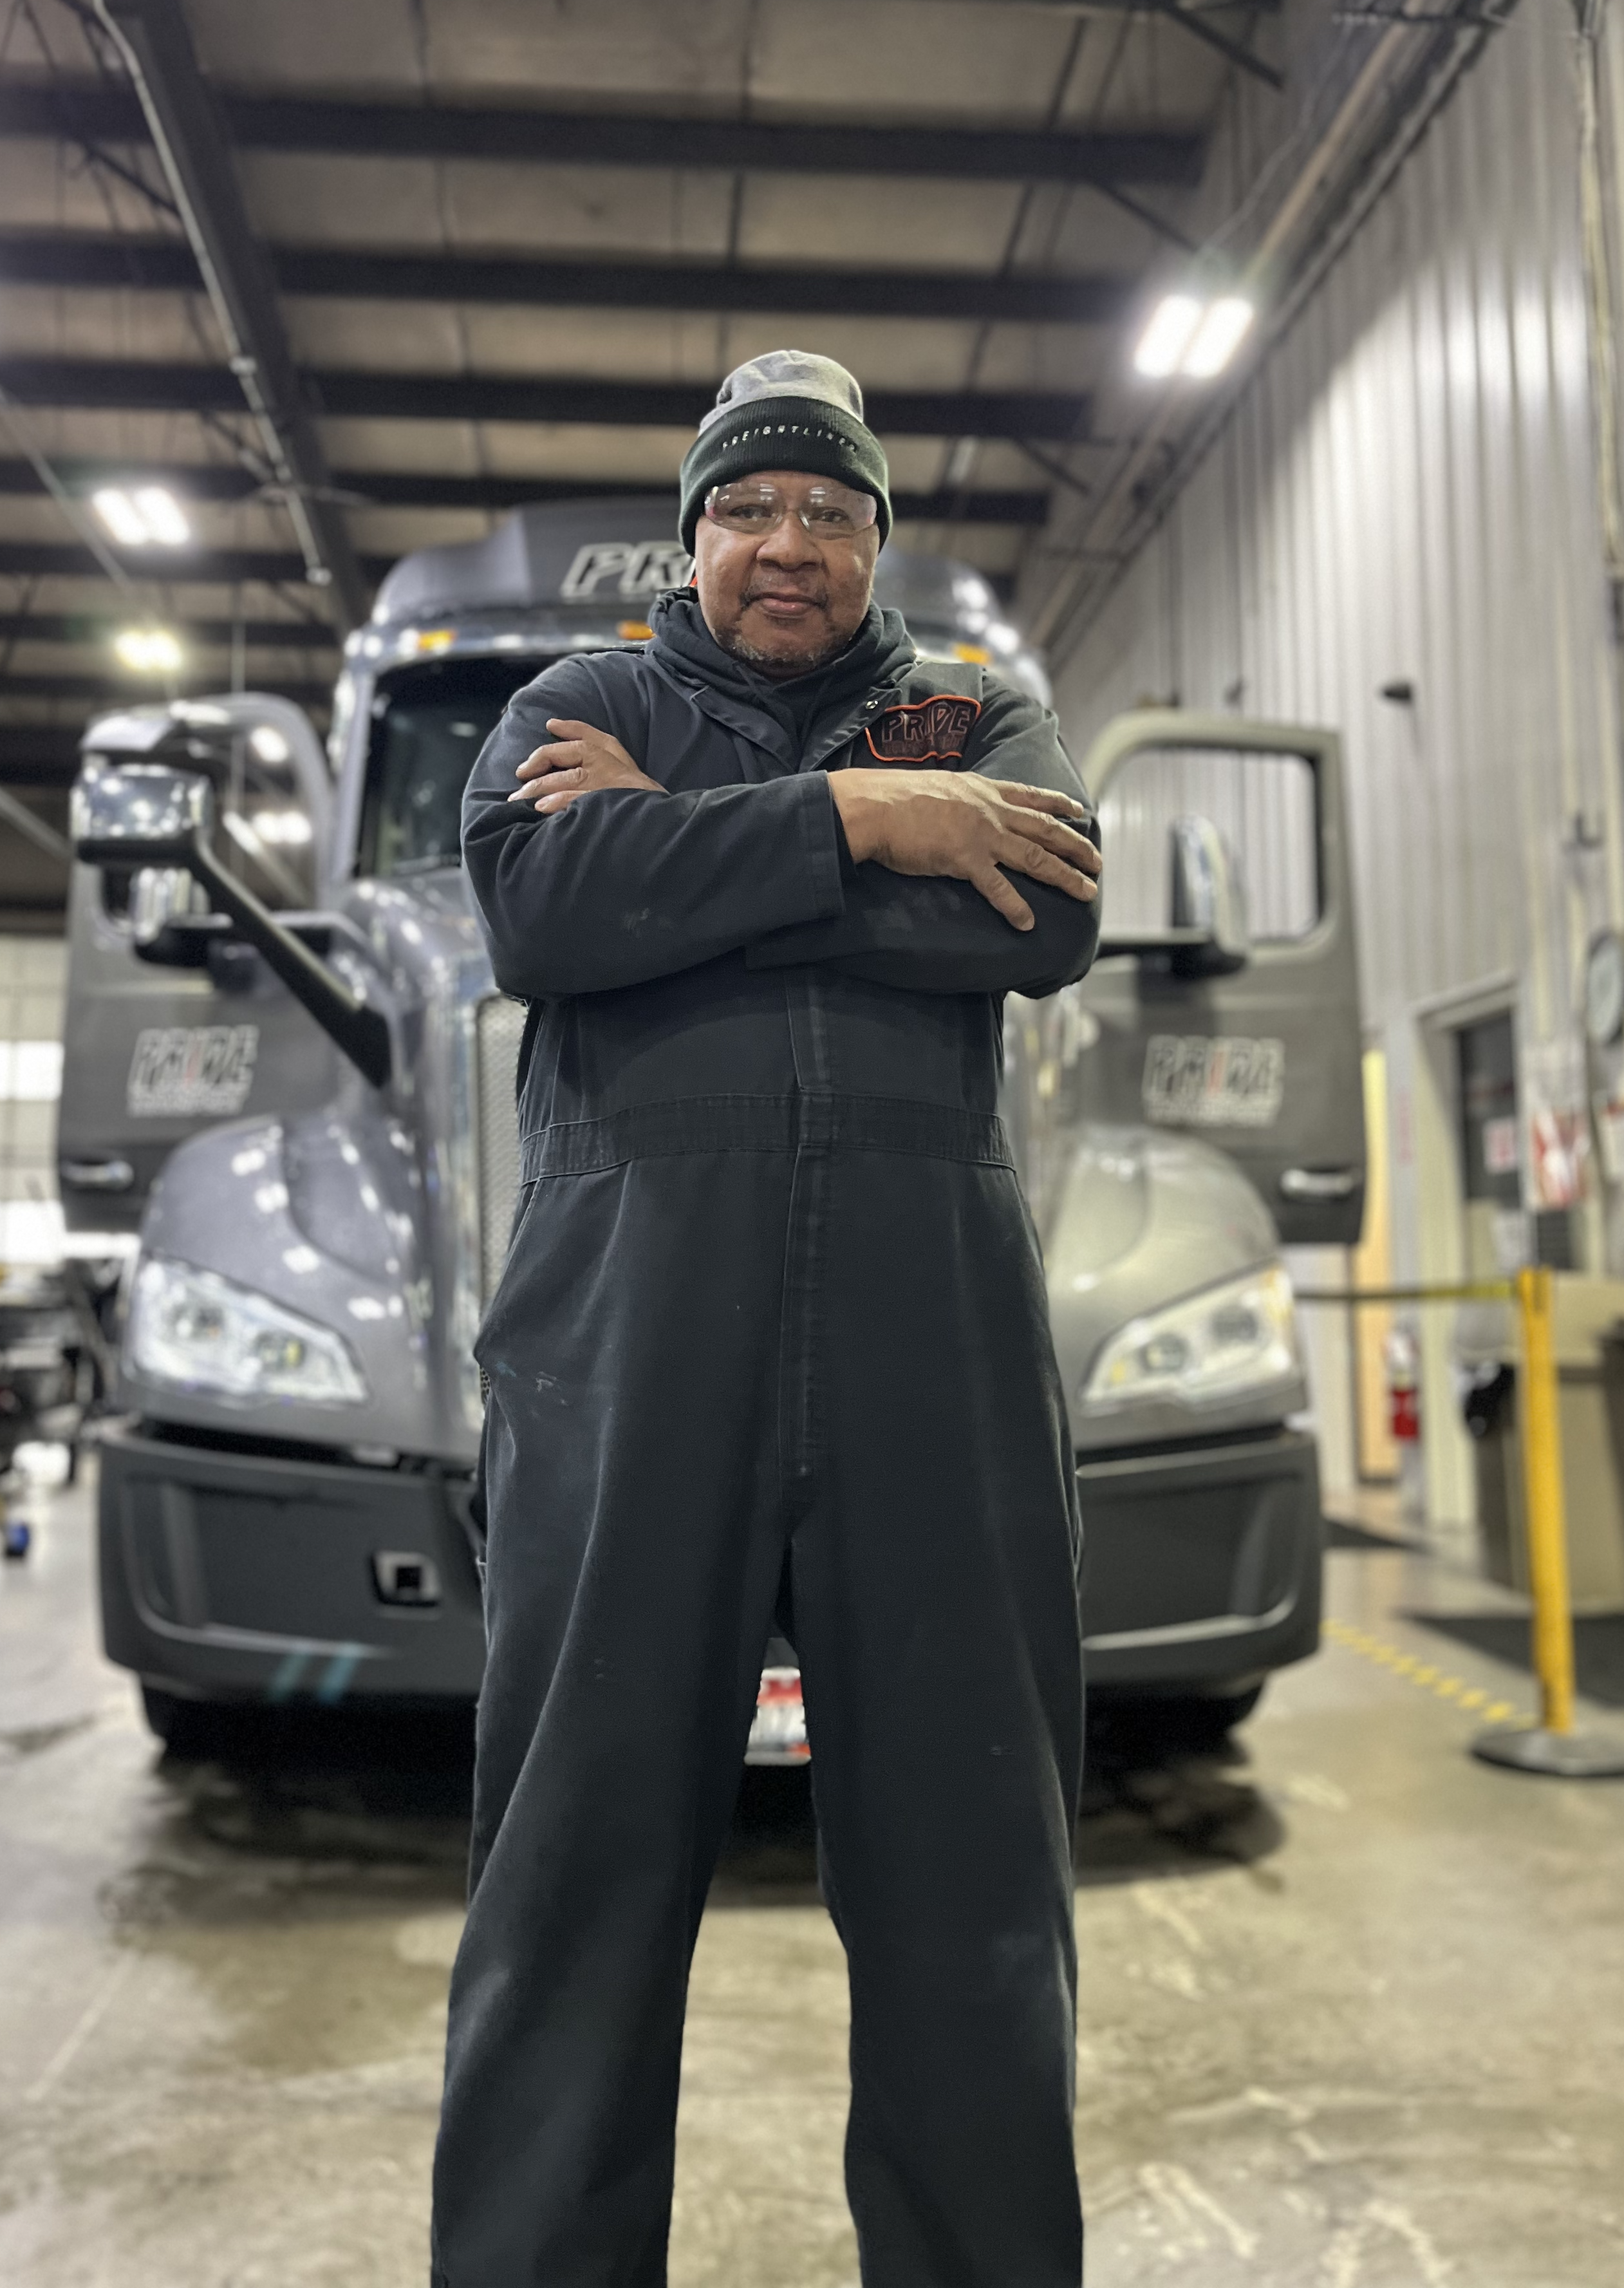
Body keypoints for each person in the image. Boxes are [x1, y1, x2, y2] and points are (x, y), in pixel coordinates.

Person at [432, 351, 1103, 2288]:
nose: (785, 543)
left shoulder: (987, 707)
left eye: (827, 510)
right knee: (572, 1890)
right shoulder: (578, 704)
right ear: (693, 534)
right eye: (747, 508)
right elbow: (546, 914)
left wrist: (702, 853)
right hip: (629, 1355)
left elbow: (1042, 919)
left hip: (932, 1360)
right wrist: (878, 826)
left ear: (878, 536)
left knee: (974, 1902)